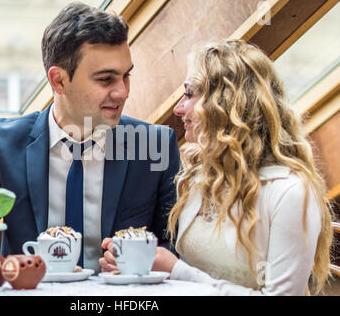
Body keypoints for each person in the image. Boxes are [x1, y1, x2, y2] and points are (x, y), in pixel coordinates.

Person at [0, 2, 180, 272]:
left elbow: (173, 248)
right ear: (58, 81)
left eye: (126, 76)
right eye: (106, 79)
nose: (122, 92)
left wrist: (142, 263)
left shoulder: (156, 145)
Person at [100, 40, 334, 295]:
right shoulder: (197, 176)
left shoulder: (289, 192)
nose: (178, 109)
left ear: (227, 104)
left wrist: (176, 271)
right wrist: (138, 260)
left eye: (189, 94)